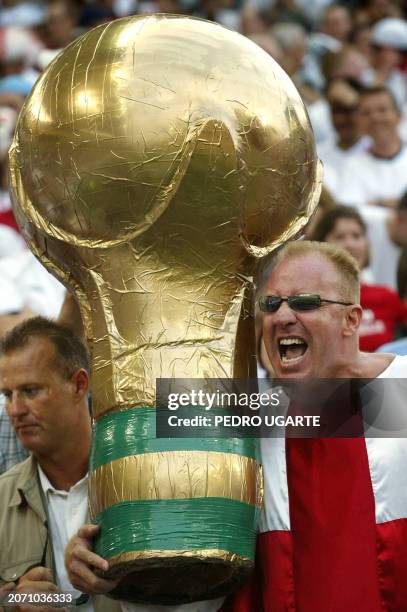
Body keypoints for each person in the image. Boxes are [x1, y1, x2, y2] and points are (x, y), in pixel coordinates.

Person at [230, 240, 407, 611]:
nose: (281, 317)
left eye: (304, 302)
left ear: (352, 320)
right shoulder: (246, 414)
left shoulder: (400, 392)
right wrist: (91, 546)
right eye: (270, 304)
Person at [0, 317, 119, 612]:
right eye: (7, 395)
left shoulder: (139, 481)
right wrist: (11, 601)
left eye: (30, 391)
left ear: (79, 386)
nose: (15, 410)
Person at [310, 205, 407, 351]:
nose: (350, 244)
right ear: (321, 245)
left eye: (357, 236)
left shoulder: (387, 297)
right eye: (340, 237)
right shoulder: (310, 302)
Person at [338, 86, 407, 209]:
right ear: (359, 121)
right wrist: (391, 205)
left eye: (382, 110)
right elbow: (351, 211)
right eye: (366, 113)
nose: (375, 117)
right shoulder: (353, 166)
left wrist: (375, 204)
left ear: (399, 116)